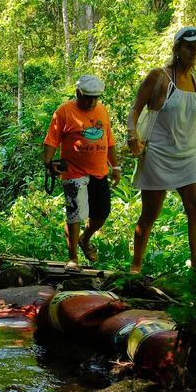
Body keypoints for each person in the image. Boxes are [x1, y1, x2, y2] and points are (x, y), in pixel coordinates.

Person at [126, 26, 196, 274]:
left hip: (188, 154)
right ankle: (136, 266)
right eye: (189, 47)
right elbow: (135, 109)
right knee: (150, 214)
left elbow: (195, 121)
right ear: (176, 49)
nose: (195, 52)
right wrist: (132, 134)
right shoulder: (159, 77)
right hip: (158, 153)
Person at [44, 74, 121, 272]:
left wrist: (116, 167)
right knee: (75, 213)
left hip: (99, 170)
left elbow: (108, 140)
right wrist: (49, 164)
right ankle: (73, 259)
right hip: (73, 170)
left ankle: (84, 239)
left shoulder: (102, 110)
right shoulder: (64, 111)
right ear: (78, 93)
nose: (92, 101)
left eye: (95, 97)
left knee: (101, 214)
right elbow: (52, 140)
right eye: (88, 97)